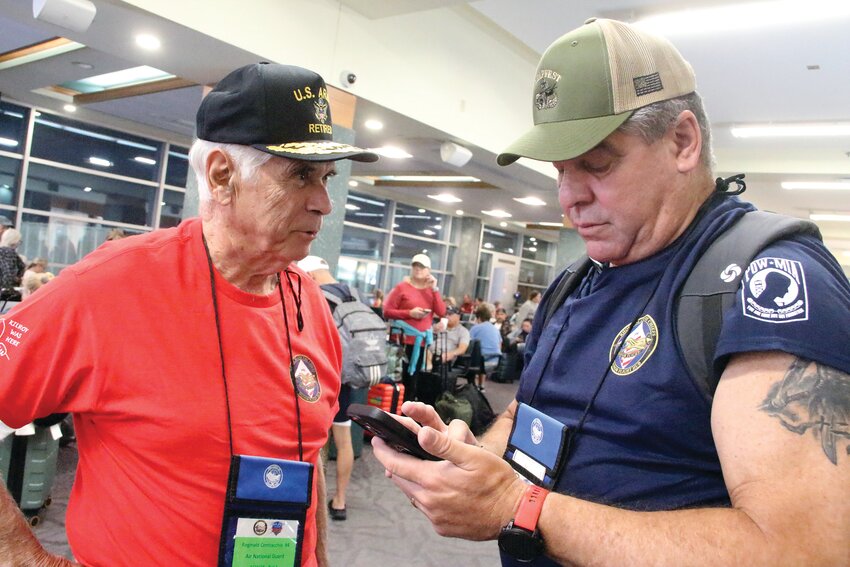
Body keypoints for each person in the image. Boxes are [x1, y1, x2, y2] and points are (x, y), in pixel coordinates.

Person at [373, 18, 850, 567]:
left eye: (597, 165)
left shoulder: (768, 283)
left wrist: (516, 507)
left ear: (683, 141)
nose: (570, 198)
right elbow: (533, 416)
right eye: (559, 172)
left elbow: (803, 550)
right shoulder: (579, 279)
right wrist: (471, 460)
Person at [0, 62, 377, 566]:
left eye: (327, 177)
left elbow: (306, 465)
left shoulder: (307, 300)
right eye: (300, 175)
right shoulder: (109, 286)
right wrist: (23, 557)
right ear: (222, 176)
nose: (324, 203)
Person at [296, 255, 360, 522]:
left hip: (315, 378)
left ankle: (312, 500)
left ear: (308, 274)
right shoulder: (354, 295)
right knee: (344, 442)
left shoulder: (312, 294)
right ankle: (340, 500)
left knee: (314, 440)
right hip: (346, 378)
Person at [382, 253, 446, 401]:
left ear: (428, 270)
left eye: (422, 267)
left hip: (420, 342)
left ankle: (407, 410)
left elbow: (442, 312)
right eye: (415, 266)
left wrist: (435, 289)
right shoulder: (402, 287)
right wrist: (409, 313)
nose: (418, 269)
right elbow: (387, 311)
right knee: (398, 376)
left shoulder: (431, 291)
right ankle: (395, 409)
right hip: (401, 341)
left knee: (413, 379)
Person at [468, 303, 501, 393]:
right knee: (482, 354)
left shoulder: (475, 328)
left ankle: (472, 385)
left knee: (475, 354)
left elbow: (468, 343)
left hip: (480, 362)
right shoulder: (495, 329)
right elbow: (499, 344)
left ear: (478, 317)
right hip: (495, 361)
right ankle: (481, 385)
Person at [429, 305, 470, 371]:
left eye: (450, 314)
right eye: (446, 314)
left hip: (445, 356)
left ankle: (428, 368)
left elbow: (462, 349)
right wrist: (433, 329)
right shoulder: (439, 326)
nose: (447, 316)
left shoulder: (463, 331)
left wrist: (452, 353)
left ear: (458, 316)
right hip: (429, 352)